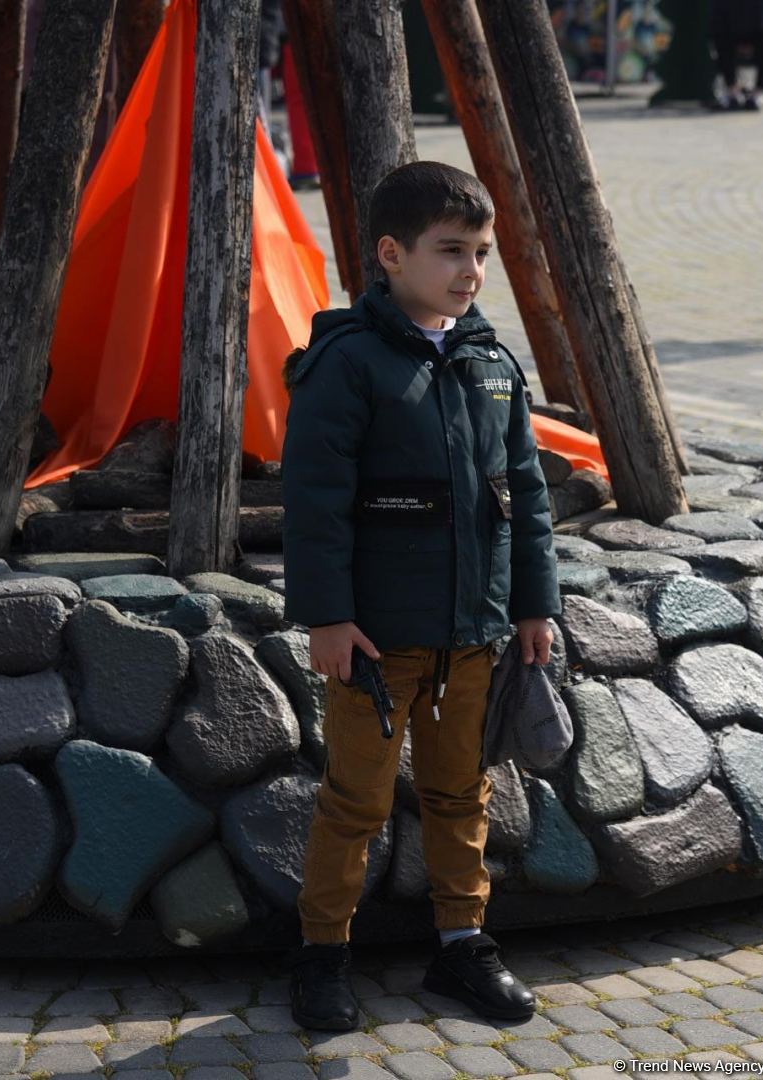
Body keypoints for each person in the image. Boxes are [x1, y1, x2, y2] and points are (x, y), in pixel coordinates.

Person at [280, 161, 560, 1031]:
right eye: (451, 251)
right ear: (391, 255)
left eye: (481, 253)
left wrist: (533, 605)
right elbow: (315, 501)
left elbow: (526, 493)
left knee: (460, 793)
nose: (471, 271)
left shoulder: (493, 365)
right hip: (374, 644)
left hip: (472, 637)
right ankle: (322, 953)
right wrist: (328, 616)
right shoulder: (346, 364)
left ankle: (461, 946)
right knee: (355, 801)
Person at [710, 0, 763, 110]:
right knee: (721, 35)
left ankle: (758, 92)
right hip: (726, 18)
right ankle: (732, 91)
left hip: (759, 19)